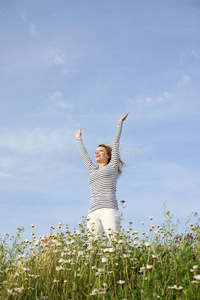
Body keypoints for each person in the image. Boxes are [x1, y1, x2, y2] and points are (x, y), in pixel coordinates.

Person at [75, 112, 129, 238]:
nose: (97, 153)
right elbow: (84, 156)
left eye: (101, 151)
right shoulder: (92, 170)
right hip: (92, 211)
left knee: (114, 242)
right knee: (92, 247)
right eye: (96, 152)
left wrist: (120, 123)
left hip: (108, 209)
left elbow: (115, 143)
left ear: (108, 155)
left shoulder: (112, 166)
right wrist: (78, 138)